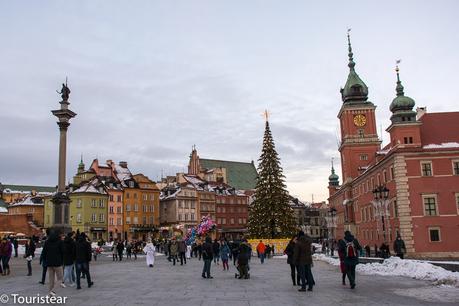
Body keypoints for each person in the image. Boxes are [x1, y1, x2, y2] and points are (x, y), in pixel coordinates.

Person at [41, 229, 64, 296]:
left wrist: (46, 260)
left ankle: (50, 295)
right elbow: (63, 252)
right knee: (60, 279)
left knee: (51, 280)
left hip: (49, 263)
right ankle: (53, 291)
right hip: (57, 263)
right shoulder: (60, 242)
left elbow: (44, 252)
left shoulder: (47, 242)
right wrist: (62, 260)